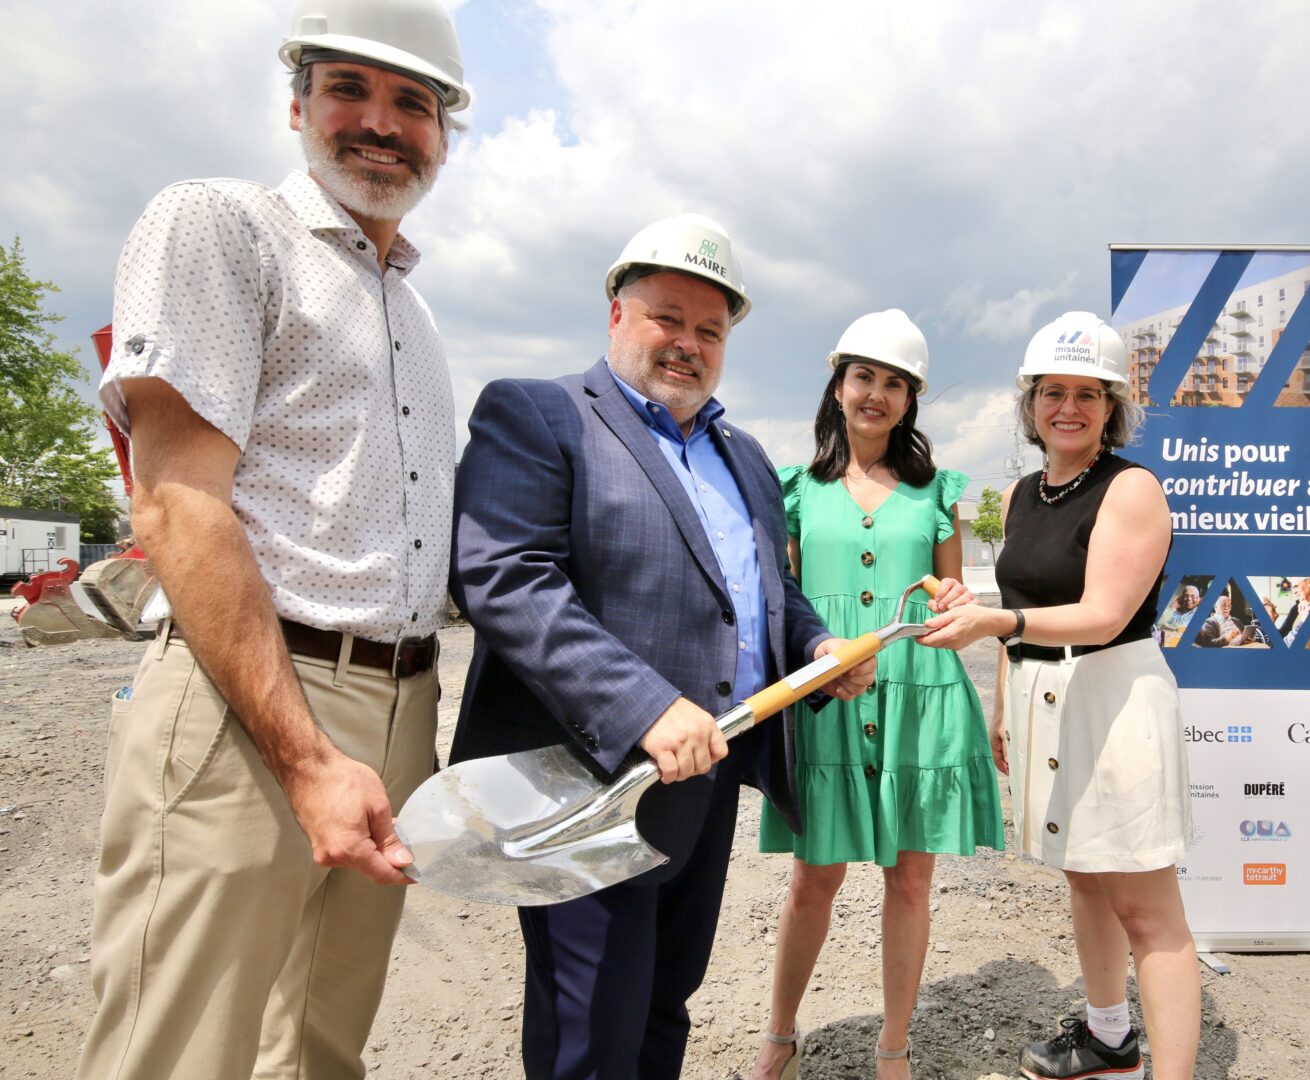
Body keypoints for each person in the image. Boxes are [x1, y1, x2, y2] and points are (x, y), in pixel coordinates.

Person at [77, 2, 470, 1077]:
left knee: (319, 1049)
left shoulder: (415, 319)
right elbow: (178, 506)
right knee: (181, 1048)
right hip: (250, 704)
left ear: (447, 133)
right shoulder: (222, 225)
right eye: (350, 89)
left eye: (414, 103)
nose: (382, 124)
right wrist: (305, 758)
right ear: (296, 100)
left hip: (401, 704)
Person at [448, 214, 877, 1080]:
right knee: (592, 1031)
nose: (688, 343)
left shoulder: (747, 456)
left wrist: (820, 645)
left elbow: (765, 592)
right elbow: (505, 577)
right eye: (667, 317)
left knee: (661, 1008)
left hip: (704, 783)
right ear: (616, 313)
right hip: (587, 781)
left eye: (709, 330)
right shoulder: (539, 414)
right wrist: (643, 706)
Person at [919, 311, 1199, 1080]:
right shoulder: (1019, 496)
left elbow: (1105, 614)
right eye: (1052, 392)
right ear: (1030, 403)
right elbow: (1022, 610)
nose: (1067, 407)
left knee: (1149, 912)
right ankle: (1110, 1040)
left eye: (1086, 393)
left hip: (1115, 698)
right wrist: (1005, 704)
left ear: (1112, 407)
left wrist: (994, 621)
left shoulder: (1131, 489)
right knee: (1083, 875)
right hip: (1045, 696)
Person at [750, 312, 1003, 1080]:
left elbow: (951, 601)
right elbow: (785, 602)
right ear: (838, 385)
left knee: (910, 877)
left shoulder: (936, 492)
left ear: (910, 400)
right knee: (812, 877)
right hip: (828, 694)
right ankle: (779, 1035)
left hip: (916, 695)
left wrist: (956, 597)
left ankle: (894, 1045)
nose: (877, 394)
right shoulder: (796, 490)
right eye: (865, 376)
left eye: (895, 383)